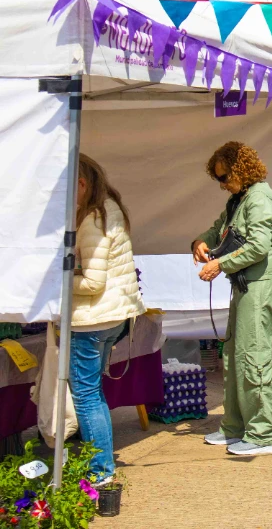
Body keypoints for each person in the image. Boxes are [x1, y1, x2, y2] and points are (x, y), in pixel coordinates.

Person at [194, 142, 272, 457]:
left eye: (224, 177)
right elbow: (218, 231)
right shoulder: (240, 199)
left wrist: (220, 264)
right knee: (234, 354)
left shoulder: (259, 199)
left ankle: (263, 435)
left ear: (239, 170)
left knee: (253, 357)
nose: (221, 184)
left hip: (260, 285)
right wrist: (200, 243)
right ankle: (234, 427)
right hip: (247, 284)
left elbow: (259, 247)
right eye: (218, 179)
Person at [70, 154, 145, 484]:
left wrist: (57, 281)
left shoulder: (94, 220)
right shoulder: (108, 208)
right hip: (111, 316)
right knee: (92, 393)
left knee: (86, 396)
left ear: (82, 184)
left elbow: (91, 283)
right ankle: (99, 464)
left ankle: (100, 471)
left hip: (94, 319)